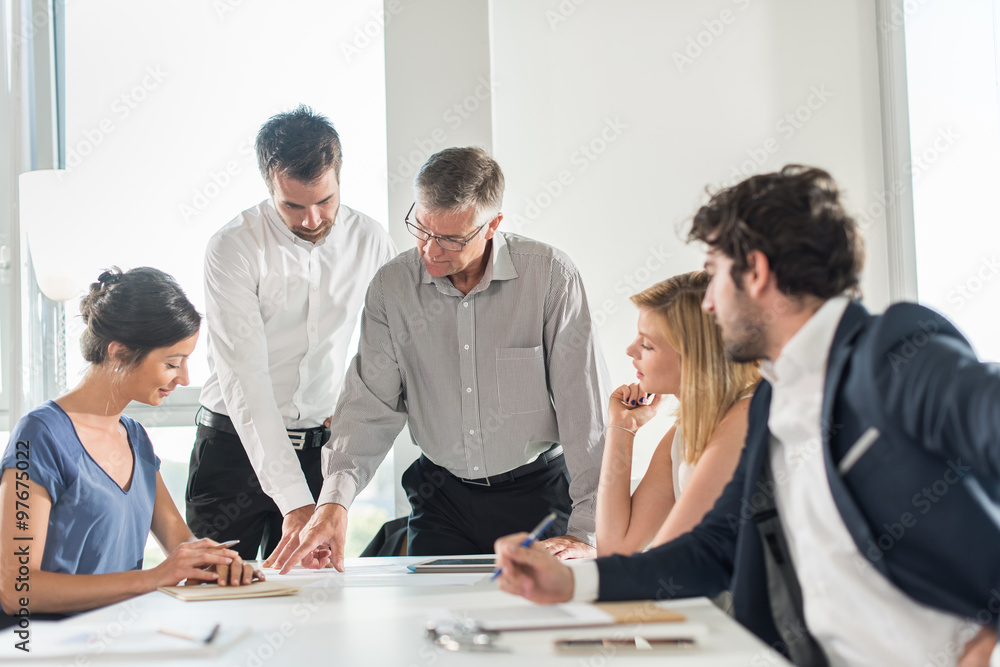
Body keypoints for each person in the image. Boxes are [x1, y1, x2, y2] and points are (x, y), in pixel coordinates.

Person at [493, 165, 1000, 667]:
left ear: (755, 272)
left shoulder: (891, 351)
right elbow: (714, 548)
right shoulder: (769, 402)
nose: (708, 304)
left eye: (714, 275)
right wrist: (572, 582)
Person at [268, 146, 611, 571]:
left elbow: (585, 412)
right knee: (431, 624)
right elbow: (367, 407)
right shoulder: (393, 288)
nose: (431, 250)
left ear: (493, 226)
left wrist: (588, 532)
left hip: (537, 496)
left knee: (537, 626)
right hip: (441, 496)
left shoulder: (550, 278)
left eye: (451, 238)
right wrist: (335, 503)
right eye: (422, 229)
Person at [186, 106, 397, 562]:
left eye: (325, 200)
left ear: (339, 177)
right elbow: (246, 380)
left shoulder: (372, 241)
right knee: (218, 601)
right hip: (232, 451)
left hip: (318, 451)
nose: (311, 219)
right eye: (293, 206)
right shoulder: (233, 247)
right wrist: (296, 503)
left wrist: (346, 410)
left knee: (314, 601)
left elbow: (389, 349)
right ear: (269, 185)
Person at [0, 268, 261, 627]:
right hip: (47, 647)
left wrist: (218, 564)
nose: (184, 378)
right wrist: (154, 578)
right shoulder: (38, 435)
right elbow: (16, 590)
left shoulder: (136, 437)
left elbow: (182, 545)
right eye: (172, 363)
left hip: (116, 637)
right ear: (119, 353)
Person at [596, 271, 759, 557]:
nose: (630, 350)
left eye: (647, 344)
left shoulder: (744, 422)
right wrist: (622, 427)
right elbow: (616, 547)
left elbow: (667, 559)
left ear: (695, 356)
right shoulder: (685, 431)